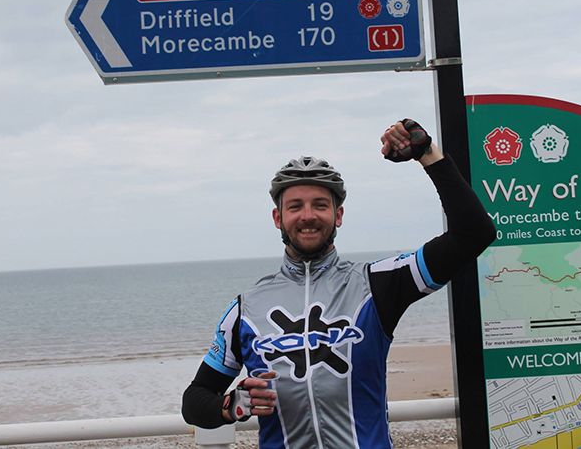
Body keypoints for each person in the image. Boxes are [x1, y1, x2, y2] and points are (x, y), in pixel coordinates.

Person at [181, 118, 496, 448]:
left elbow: (474, 233)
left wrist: (427, 155)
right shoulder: (247, 309)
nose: (308, 216)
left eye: (320, 205)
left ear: (339, 215)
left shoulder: (375, 285)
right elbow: (194, 400)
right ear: (278, 218)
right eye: (295, 206)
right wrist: (229, 406)